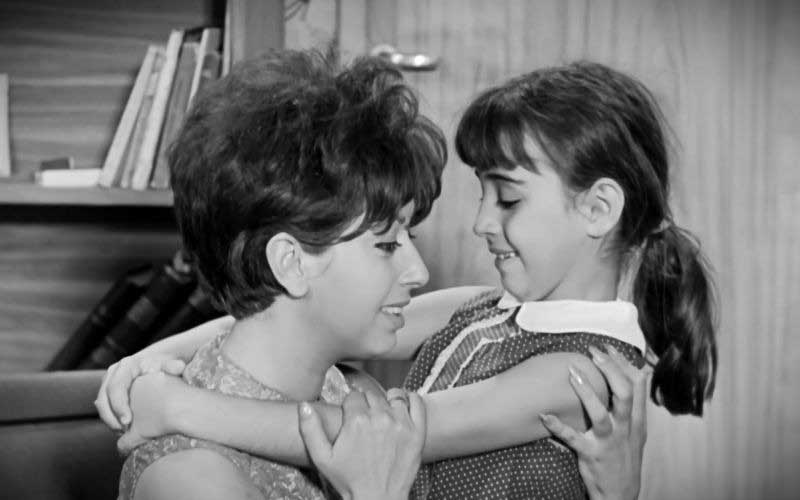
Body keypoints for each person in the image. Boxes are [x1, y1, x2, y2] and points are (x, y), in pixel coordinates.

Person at [99, 60, 715, 499]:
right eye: (388, 243)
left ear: (599, 209)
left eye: (508, 199)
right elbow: (268, 306)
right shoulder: (488, 307)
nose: (480, 224)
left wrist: (182, 405)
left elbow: (391, 433)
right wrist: (150, 356)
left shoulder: (584, 373)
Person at [113, 49, 445, 500]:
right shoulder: (190, 481)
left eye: (410, 238)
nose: (419, 272)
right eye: (386, 245)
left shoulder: (352, 392)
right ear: (290, 263)